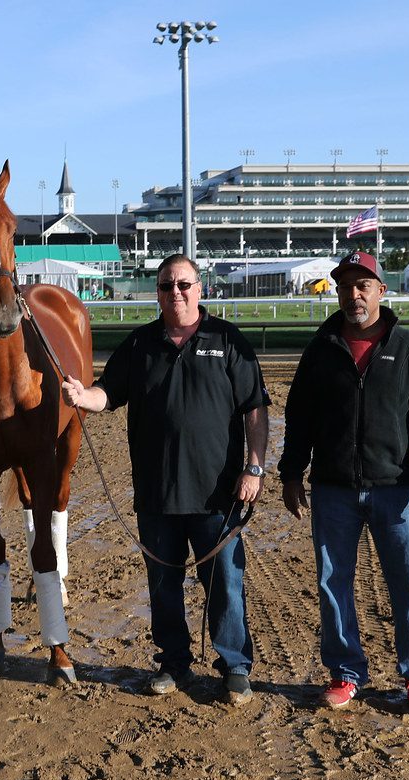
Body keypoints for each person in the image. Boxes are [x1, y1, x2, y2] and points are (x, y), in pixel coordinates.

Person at [61, 254, 269, 705]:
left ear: (200, 289)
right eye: (166, 286)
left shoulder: (228, 340)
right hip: (157, 495)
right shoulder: (140, 345)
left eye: (183, 285)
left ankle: (234, 666)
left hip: (219, 496)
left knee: (225, 585)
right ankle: (173, 663)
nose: (176, 292)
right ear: (157, 293)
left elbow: (255, 406)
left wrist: (254, 467)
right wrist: (83, 395)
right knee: (163, 587)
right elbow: (107, 393)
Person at [278, 250, 409, 718]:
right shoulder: (321, 349)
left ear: (380, 290)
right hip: (334, 489)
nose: (353, 295)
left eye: (363, 286)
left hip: (397, 489)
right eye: (345, 286)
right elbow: (300, 417)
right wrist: (292, 472)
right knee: (334, 582)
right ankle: (345, 673)